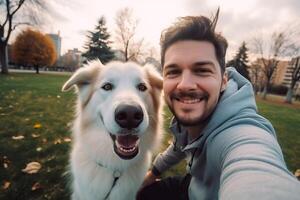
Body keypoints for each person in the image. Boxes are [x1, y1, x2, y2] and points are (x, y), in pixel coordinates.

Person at [136, 12, 300, 200]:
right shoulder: (188, 123)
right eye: (173, 72)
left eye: (202, 70)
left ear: (223, 81)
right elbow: (178, 147)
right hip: (191, 186)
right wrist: (152, 174)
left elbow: (255, 163)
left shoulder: (241, 133)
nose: (185, 84)